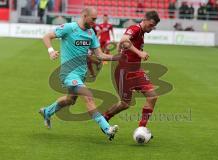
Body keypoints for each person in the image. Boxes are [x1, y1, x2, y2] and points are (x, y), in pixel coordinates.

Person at [39, 7, 120, 140]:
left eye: (96, 20)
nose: (95, 22)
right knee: (88, 97)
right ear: (84, 15)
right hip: (68, 72)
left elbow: (99, 54)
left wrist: (116, 58)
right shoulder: (69, 28)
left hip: (81, 73)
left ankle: (47, 112)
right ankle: (107, 128)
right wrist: (51, 51)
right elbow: (47, 36)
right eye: (93, 19)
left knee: (70, 100)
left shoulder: (91, 33)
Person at [103, 11, 160, 133]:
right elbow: (124, 39)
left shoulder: (141, 32)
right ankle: (104, 118)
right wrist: (139, 53)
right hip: (125, 71)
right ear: (144, 19)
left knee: (153, 96)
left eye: (153, 26)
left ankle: (142, 128)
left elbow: (123, 41)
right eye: (150, 25)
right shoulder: (135, 28)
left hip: (136, 70)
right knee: (125, 104)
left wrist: (119, 47)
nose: (151, 28)